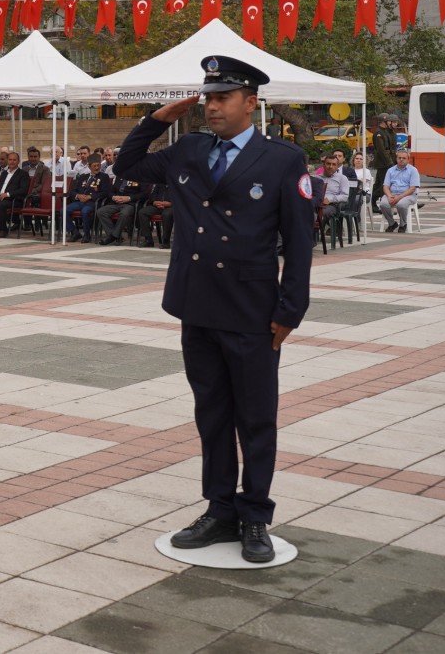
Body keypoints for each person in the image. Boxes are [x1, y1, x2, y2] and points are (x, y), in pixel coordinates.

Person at [113, 55, 313, 564]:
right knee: (213, 415)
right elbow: (127, 165)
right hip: (196, 304)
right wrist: (156, 118)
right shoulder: (189, 149)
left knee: (256, 418)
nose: (212, 106)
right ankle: (220, 508)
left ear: (251, 103)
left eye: (223, 97)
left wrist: (290, 309)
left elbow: (299, 239)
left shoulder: (282, 158)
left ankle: (254, 517)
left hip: (251, 309)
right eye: (208, 97)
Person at [66, 155, 111, 242]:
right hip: (80, 201)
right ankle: (75, 232)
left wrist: (91, 196)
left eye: (98, 165)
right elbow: (73, 191)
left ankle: (87, 235)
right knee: (64, 210)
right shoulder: (83, 176)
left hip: (93, 202)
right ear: (89, 167)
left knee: (85, 211)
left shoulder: (104, 177)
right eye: (94, 166)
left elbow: (105, 192)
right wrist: (78, 196)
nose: (97, 167)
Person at [94, 176, 144, 246]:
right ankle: (115, 236)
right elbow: (110, 191)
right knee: (101, 211)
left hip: (130, 203)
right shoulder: (119, 177)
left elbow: (143, 194)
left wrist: (129, 198)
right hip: (116, 202)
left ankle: (112, 237)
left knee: (124, 213)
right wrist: (114, 197)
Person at [379, 149, 420, 233]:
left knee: (401, 204)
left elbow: (412, 188)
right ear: (396, 159)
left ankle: (403, 224)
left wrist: (399, 198)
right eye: (399, 157)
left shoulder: (413, 170)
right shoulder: (390, 170)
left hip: (409, 195)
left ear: (408, 159)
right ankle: (392, 223)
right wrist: (389, 195)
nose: (401, 159)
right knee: (383, 204)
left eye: (404, 158)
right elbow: (385, 186)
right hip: (393, 194)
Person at [137, 182, 174, 248]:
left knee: (167, 214)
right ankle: (148, 240)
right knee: (142, 212)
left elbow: (181, 198)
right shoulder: (160, 183)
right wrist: (154, 202)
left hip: (171, 207)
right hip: (157, 205)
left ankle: (166, 242)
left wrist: (169, 204)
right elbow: (153, 195)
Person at [318, 153, 351, 223]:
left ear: (337, 167)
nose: (330, 166)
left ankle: (318, 232)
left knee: (320, 213)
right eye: (328, 164)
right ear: (323, 165)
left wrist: (330, 199)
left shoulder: (342, 178)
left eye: (333, 164)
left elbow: (345, 196)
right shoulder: (316, 178)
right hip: (315, 203)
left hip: (331, 205)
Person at [371, 113, 397, 178]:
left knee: (379, 183)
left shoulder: (384, 131)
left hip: (385, 162)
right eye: (388, 121)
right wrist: (389, 162)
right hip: (382, 163)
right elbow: (381, 150)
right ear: (383, 122)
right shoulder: (379, 133)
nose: (389, 122)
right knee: (383, 183)